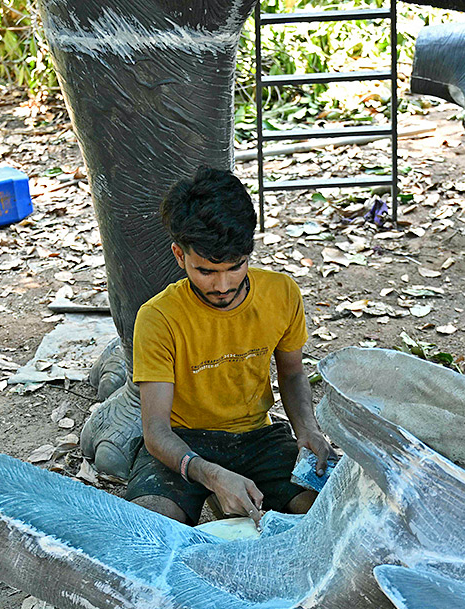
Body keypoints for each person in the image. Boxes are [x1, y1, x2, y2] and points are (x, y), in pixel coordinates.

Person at [124, 166, 332, 527]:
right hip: (183, 443)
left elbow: (294, 373)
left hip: (258, 438)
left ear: (248, 252)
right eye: (205, 271)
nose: (222, 284)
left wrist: (308, 430)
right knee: (149, 526)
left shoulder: (281, 294)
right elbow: (156, 433)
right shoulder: (158, 317)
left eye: (235, 267)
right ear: (179, 255)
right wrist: (211, 474)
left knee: (325, 517)